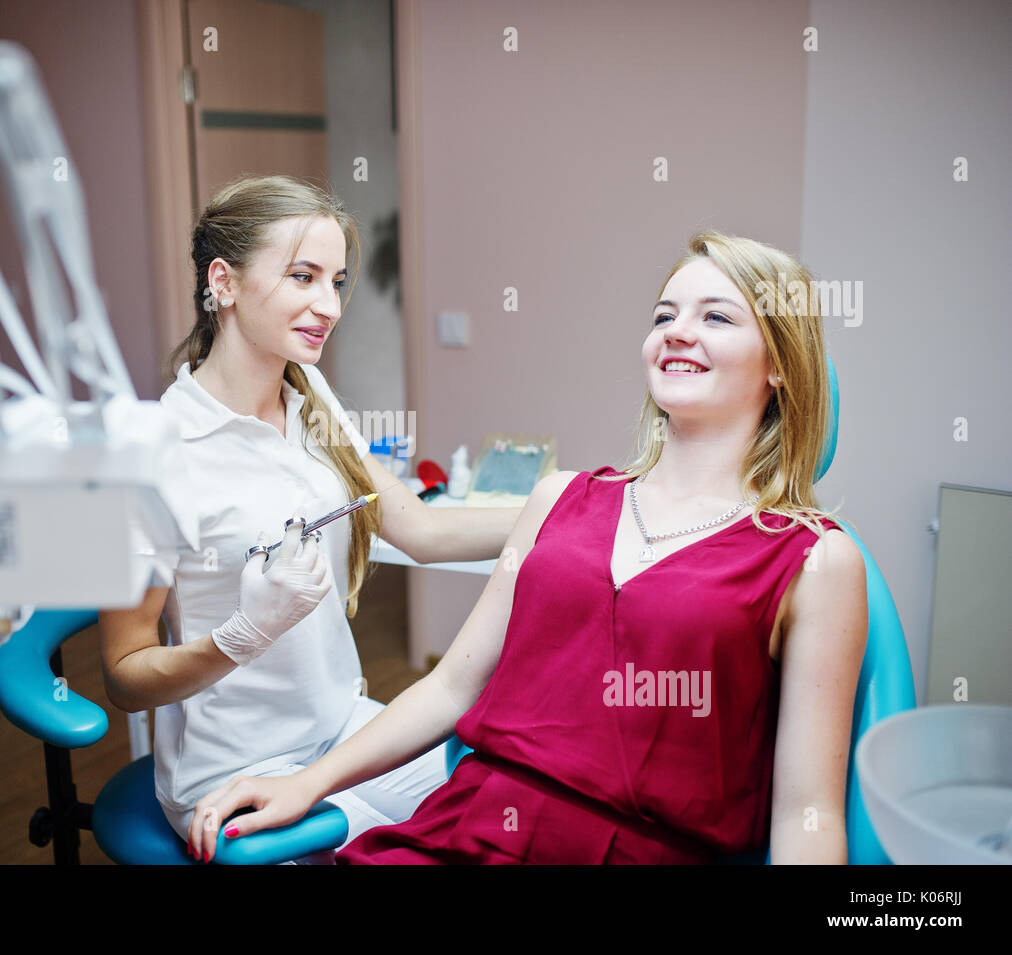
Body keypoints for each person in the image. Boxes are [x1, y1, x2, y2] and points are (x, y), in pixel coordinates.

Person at [186, 230, 870, 864]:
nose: (677, 332)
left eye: (715, 317)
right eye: (664, 316)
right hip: (468, 827)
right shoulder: (558, 499)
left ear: (781, 364)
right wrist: (307, 782)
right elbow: (454, 684)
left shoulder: (814, 559)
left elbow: (807, 811)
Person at [97, 175, 520, 860]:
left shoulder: (308, 395)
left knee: (496, 823)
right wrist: (240, 635)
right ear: (224, 283)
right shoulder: (156, 455)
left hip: (340, 723)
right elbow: (122, 673)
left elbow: (420, 528)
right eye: (303, 277)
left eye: (337, 281)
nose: (328, 305)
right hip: (234, 763)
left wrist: (565, 506)